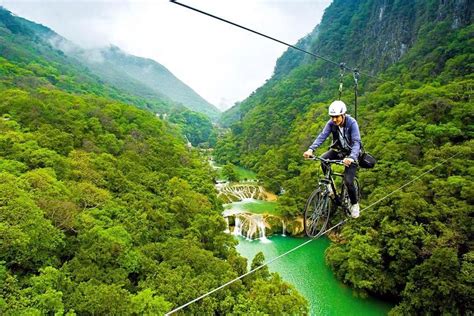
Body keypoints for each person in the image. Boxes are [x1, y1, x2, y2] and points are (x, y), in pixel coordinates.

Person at [303, 100, 361, 218]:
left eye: (337, 117)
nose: (334, 120)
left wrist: (351, 157)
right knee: (324, 159)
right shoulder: (331, 124)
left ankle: (355, 205)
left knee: (348, 181)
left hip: (352, 154)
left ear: (343, 115)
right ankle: (329, 187)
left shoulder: (352, 123)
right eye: (332, 117)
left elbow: (356, 142)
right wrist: (311, 149)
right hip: (338, 151)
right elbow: (322, 136)